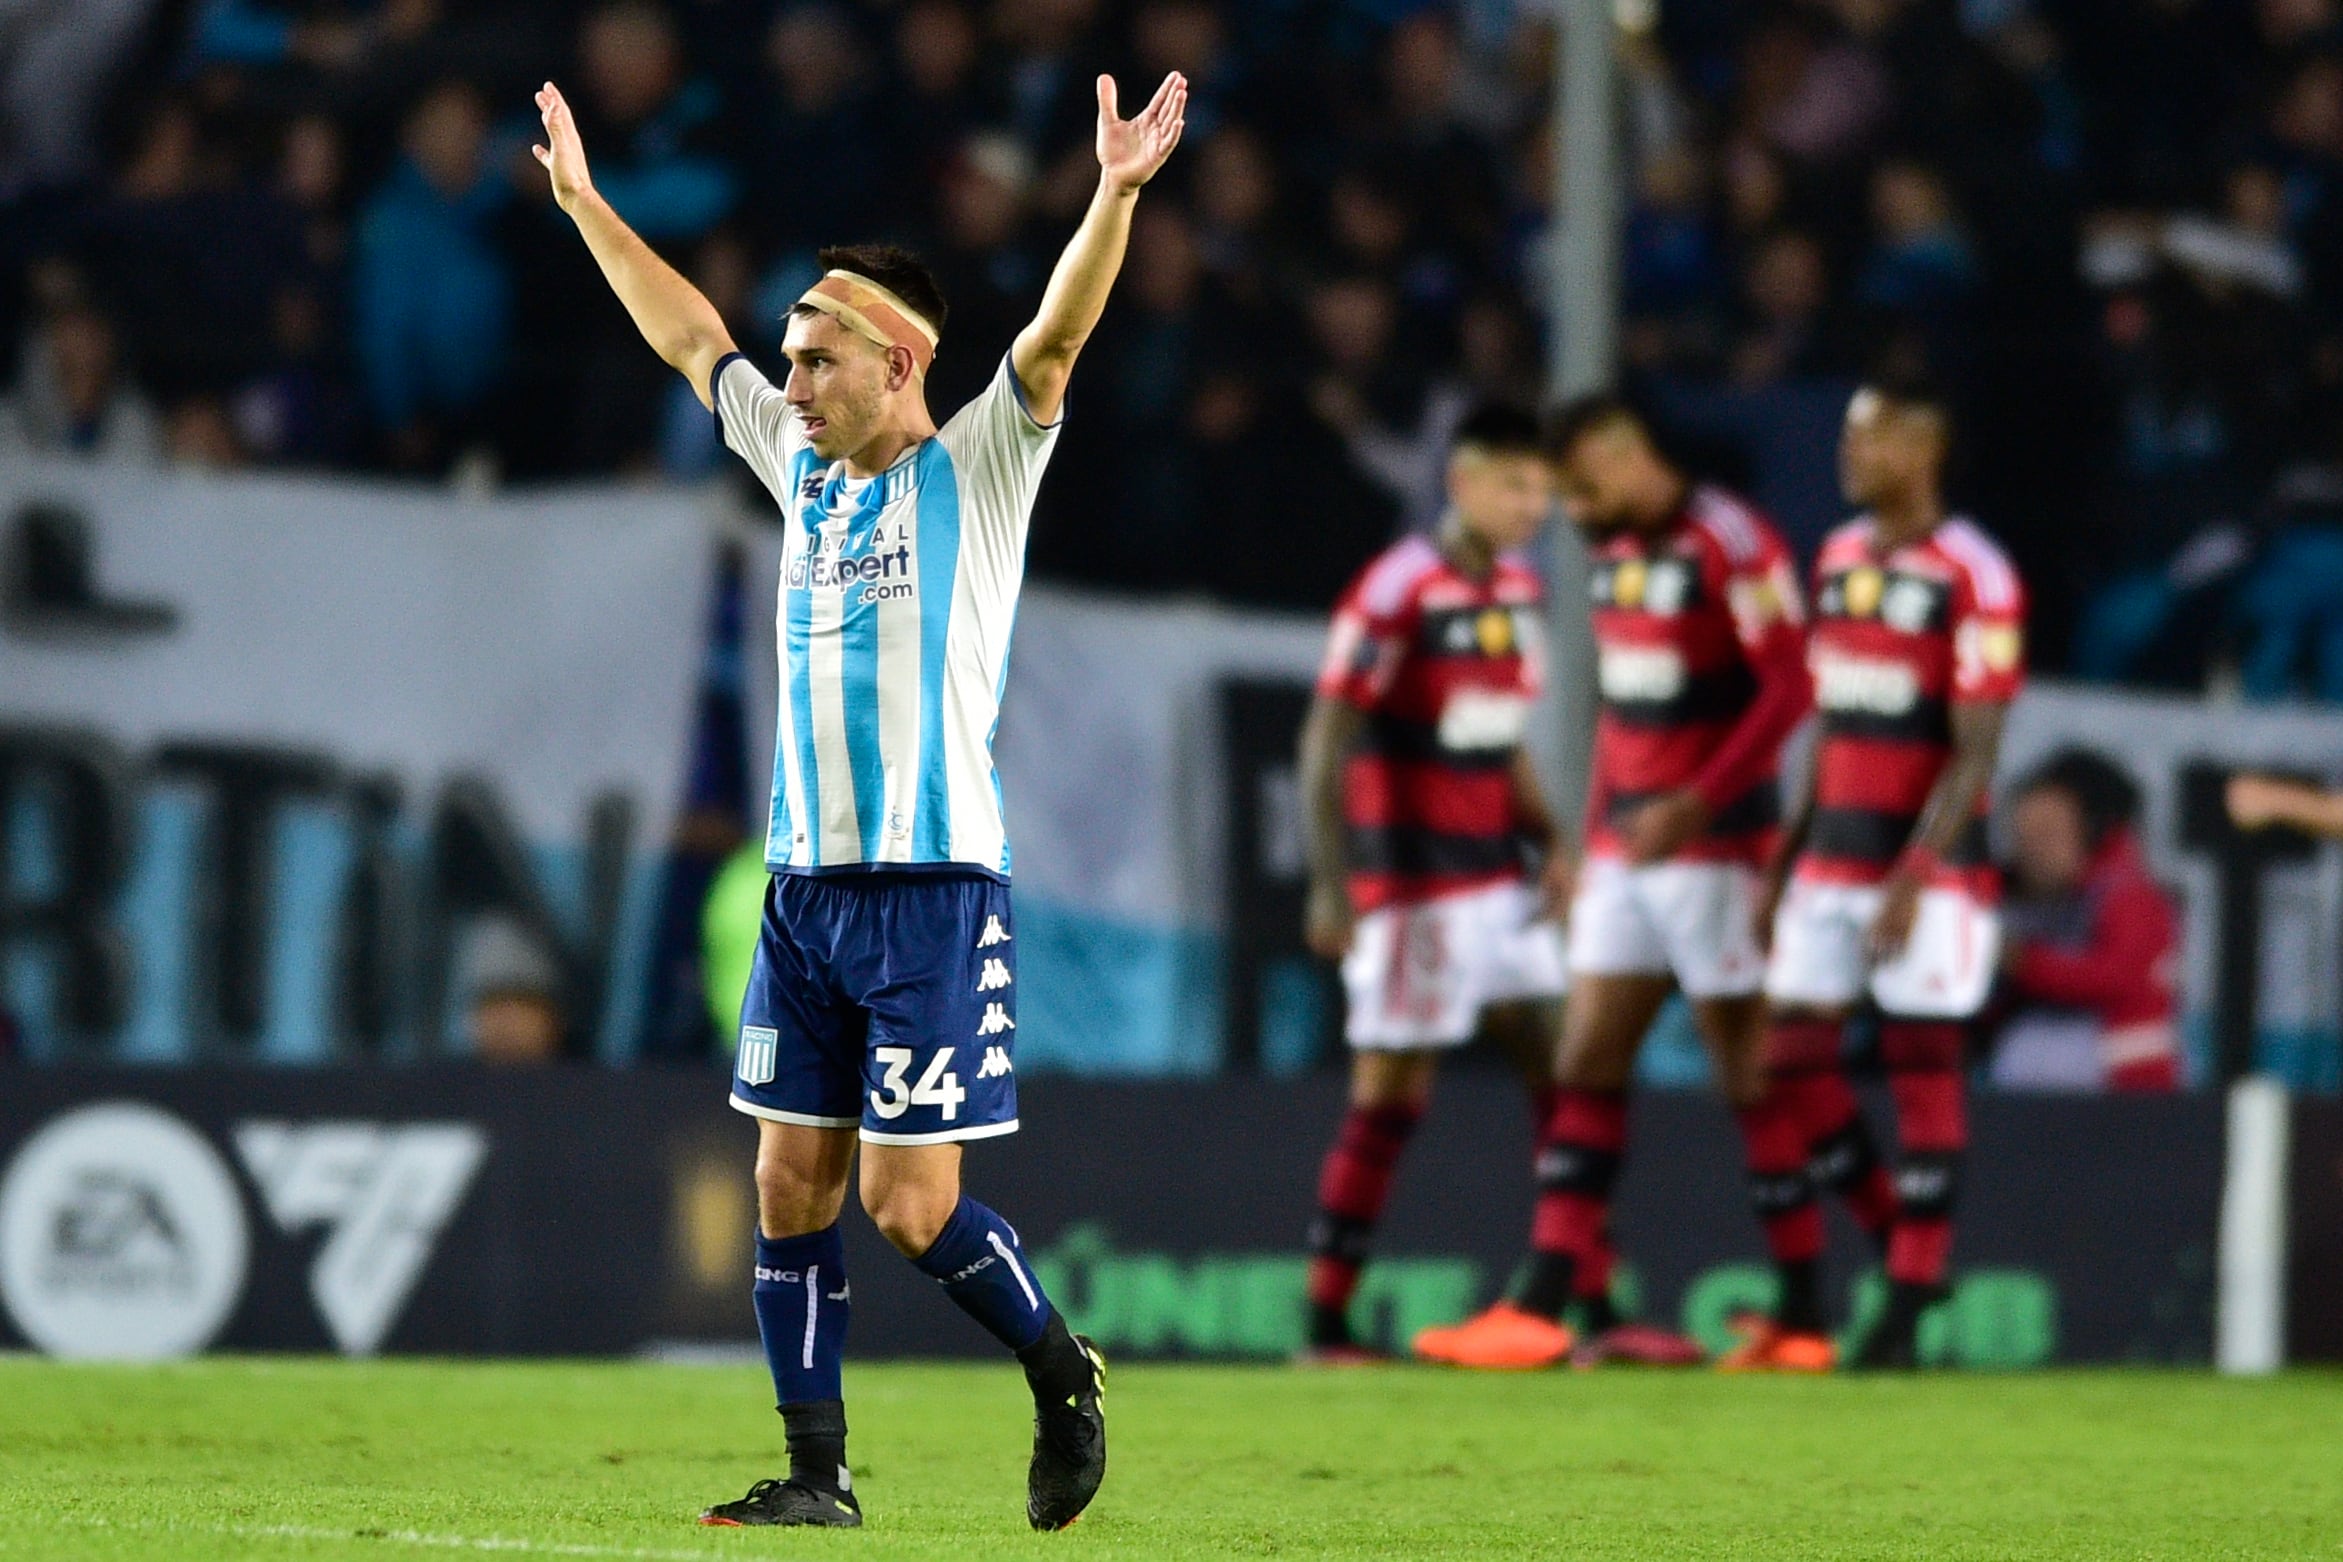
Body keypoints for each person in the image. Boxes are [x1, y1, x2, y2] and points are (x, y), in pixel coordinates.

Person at [529, 65, 1187, 1529]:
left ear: (898, 362)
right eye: (790, 357)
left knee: (909, 1209)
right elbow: (688, 338)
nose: (789, 379)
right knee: (784, 1184)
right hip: (801, 892)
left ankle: (1060, 1369)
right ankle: (818, 1475)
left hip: (934, 889)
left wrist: (1114, 194)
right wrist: (586, 207)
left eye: (816, 356)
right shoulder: (799, 473)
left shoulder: (982, 468)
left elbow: (1059, 331)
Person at [1413, 397, 1816, 1371]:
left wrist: (1699, 801)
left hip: (1717, 850)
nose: (1574, 512)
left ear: (1627, 456)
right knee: (1586, 1060)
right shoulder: (1609, 552)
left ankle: (1806, 1311)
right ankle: (1542, 1305)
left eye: (1583, 489)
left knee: (1748, 1074)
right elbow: (1622, 713)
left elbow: (1793, 683)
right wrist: (1593, 835)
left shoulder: (1731, 539)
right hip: (1627, 856)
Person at [1738, 374, 2027, 1372]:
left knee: (1919, 1062)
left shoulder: (1976, 573)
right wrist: (1783, 855)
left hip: (1929, 868)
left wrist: (1915, 871)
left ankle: (1903, 1304)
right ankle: (1901, 1243)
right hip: (1831, 857)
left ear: (1923, 446)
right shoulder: (1840, 556)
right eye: (1849, 436)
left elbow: (1974, 748)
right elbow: (1833, 720)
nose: (1848, 454)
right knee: (1788, 1056)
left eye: (1869, 439)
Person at [1295, 404, 1572, 1365]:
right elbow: (1325, 737)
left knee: (1565, 1074)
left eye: (1541, 487)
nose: (1532, 503)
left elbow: (1501, 736)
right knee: (1389, 1097)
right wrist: (1330, 884)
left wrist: (1556, 838)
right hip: (1411, 887)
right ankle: (1325, 1321)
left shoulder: (1523, 590)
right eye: (1513, 483)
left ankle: (1574, 1301)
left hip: (1499, 877)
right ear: (1461, 485)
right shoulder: (1397, 589)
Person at [1993, 749, 2181, 1093]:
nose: (2031, 852)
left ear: (2092, 831)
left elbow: (2115, 976)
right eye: (2023, 837)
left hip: (2121, 1097)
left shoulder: (2130, 894)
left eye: (2048, 835)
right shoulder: (2022, 898)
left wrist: (2020, 960)